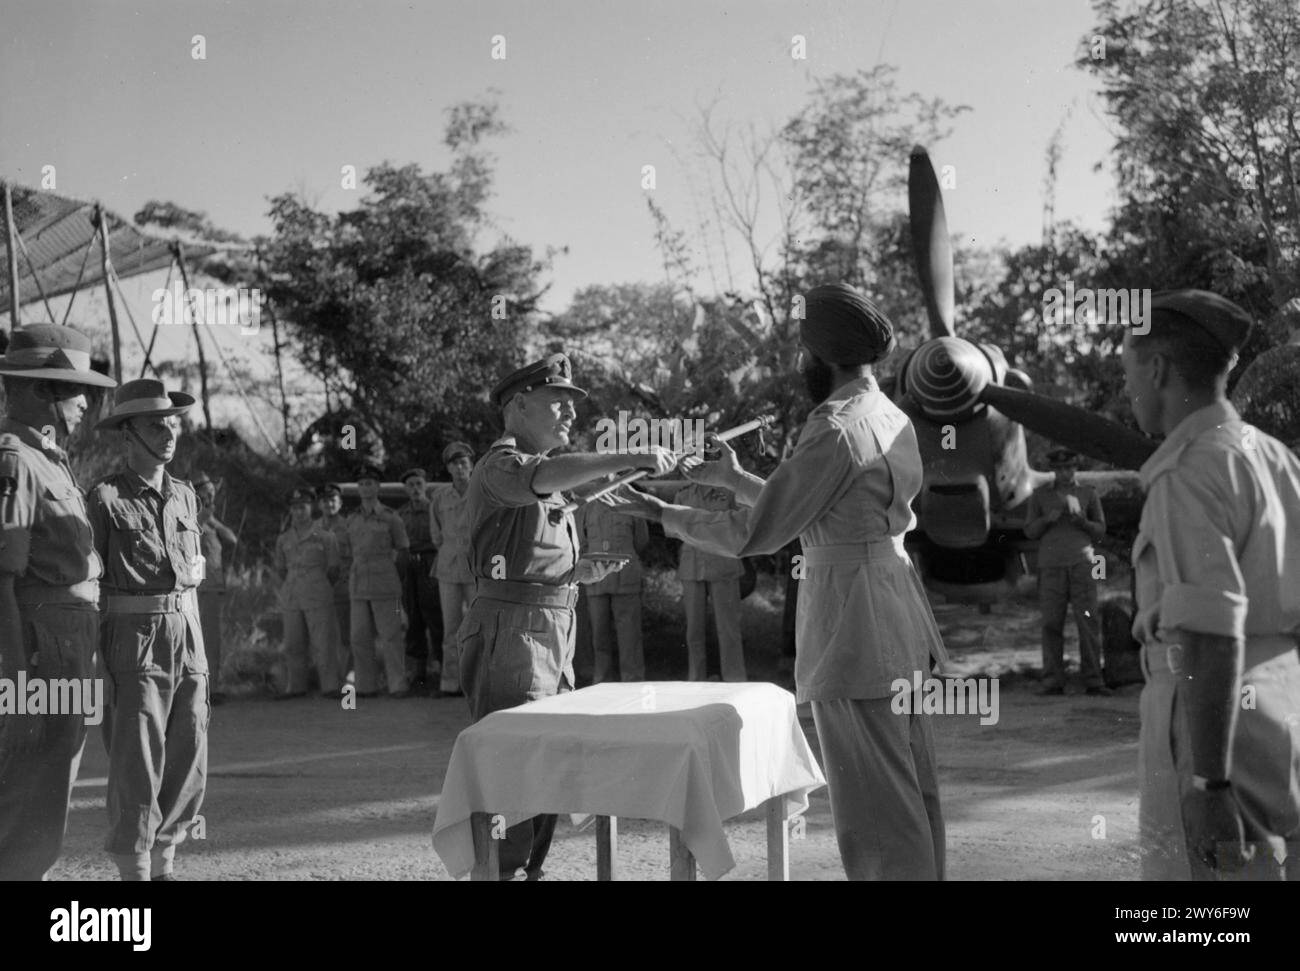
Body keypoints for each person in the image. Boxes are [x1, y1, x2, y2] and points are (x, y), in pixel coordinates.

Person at [610, 284, 949, 880]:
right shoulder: (888, 414)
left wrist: (663, 515)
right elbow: (825, 511)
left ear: (822, 355)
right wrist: (738, 478)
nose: (797, 363)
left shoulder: (834, 426)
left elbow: (758, 533)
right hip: (895, 617)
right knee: (909, 792)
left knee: (874, 810)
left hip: (855, 630)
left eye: (801, 350)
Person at [456, 352, 674, 879]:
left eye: (574, 404)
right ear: (518, 406)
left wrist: (578, 573)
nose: (571, 414)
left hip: (553, 626)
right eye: (560, 402)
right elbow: (538, 478)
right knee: (515, 765)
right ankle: (500, 872)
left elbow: (533, 553)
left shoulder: (549, 478)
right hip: (513, 632)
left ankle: (527, 869)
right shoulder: (500, 465)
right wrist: (630, 455)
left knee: (549, 764)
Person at [1121, 289, 1300, 881]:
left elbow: (1209, 637)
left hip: (1209, 720)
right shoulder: (1274, 457)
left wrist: (1208, 781)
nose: (1127, 390)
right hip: (1282, 705)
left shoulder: (1187, 471)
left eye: (1128, 371)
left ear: (1159, 368)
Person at [0, 324, 116, 880]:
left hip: (67, 643)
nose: (85, 405)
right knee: (29, 792)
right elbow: (1, 580)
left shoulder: (49, 458)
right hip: (41, 651)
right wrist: (18, 686)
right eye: (77, 392)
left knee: (51, 785)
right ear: (44, 391)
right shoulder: (17, 458)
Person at [86, 378, 208, 881]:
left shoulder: (185, 495)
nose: (168, 433)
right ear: (128, 435)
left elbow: (193, 571)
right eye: (155, 425)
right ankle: (134, 872)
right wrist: (95, 662)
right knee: (136, 758)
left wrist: (198, 650)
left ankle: (165, 865)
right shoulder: (105, 498)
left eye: (173, 423)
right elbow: (90, 584)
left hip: (187, 631)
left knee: (189, 745)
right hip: (133, 639)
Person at [1024, 448, 1109, 696]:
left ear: (1075, 469)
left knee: (1088, 621)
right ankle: (1053, 681)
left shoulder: (1088, 493)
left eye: (1069, 468)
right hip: (1051, 566)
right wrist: (1047, 520)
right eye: (1060, 469)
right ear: (1054, 470)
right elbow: (1029, 531)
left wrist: (1083, 521)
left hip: (1083, 563)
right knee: (1051, 623)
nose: (1064, 472)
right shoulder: (1039, 496)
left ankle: (1094, 681)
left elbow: (1100, 530)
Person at [274, 488, 344, 699]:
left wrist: (319, 584)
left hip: (318, 591)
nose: (299, 512)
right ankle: (296, 686)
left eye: (302, 507)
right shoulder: (284, 538)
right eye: (295, 508)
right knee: (293, 642)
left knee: (324, 642)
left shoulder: (325, 536)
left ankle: (330, 686)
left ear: (311, 508)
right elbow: (280, 568)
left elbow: (333, 568)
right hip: (293, 593)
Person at [347, 465, 410, 698]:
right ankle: (366, 685)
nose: (365, 488)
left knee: (390, 636)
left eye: (370, 483)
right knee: (359, 636)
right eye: (361, 484)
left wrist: (393, 576)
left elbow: (403, 551)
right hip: (358, 582)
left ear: (378, 486)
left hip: (385, 581)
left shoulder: (390, 517)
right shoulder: (351, 519)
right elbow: (347, 551)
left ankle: (397, 684)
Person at [673, 481, 746, 681]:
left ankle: (735, 681)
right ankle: (696, 680)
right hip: (692, 565)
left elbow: (742, 526)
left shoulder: (728, 493)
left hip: (723, 563)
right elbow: (674, 531)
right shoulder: (683, 495)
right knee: (694, 631)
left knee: (728, 629)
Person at [576, 484, 648, 682]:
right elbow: (580, 541)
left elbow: (641, 540)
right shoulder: (586, 504)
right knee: (599, 636)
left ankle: (632, 683)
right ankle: (601, 683)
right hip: (596, 580)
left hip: (626, 578)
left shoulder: (630, 500)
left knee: (630, 636)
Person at [428, 441, 474, 697]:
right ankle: (450, 683)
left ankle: (478, 681)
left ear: (471, 464)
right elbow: (436, 535)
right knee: (451, 628)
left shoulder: (481, 492)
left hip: (474, 567)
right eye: (454, 464)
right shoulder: (439, 498)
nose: (459, 468)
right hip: (447, 568)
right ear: (448, 469)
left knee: (477, 626)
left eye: (463, 462)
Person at [191, 470, 237, 704]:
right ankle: (203, 688)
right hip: (199, 588)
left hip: (211, 586)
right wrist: (203, 517)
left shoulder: (209, 519)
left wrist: (212, 520)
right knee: (202, 641)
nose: (210, 497)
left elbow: (232, 539)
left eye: (212, 493)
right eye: (205, 493)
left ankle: (212, 686)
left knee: (211, 640)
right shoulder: (190, 517)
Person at [397, 467, 443, 694]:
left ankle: (445, 672)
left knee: (435, 616)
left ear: (425, 486)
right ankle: (419, 676)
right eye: (410, 485)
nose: (415, 488)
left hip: (431, 563)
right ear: (405, 489)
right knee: (413, 618)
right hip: (409, 567)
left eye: (418, 484)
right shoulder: (401, 514)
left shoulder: (434, 508)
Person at [317, 482, 352, 669]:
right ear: (318, 505)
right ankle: (328, 677)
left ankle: (348, 676)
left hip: (343, 588)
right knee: (323, 636)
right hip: (319, 591)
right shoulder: (312, 528)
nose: (328, 504)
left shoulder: (349, 527)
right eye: (324, 501)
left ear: (340, 503)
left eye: (332, 500)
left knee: (346, 635)